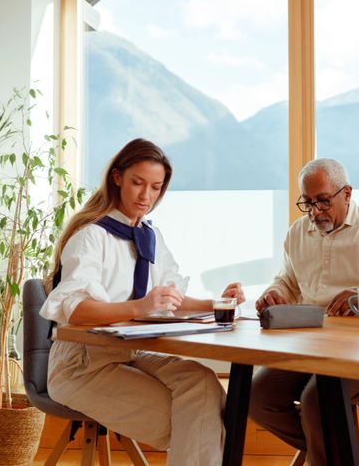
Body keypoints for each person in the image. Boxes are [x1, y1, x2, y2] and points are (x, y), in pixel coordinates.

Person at [39, 138, 244, 466]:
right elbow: (76, 311)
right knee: (192, 422)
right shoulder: (91, 236)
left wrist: (217, 303)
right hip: (80, 365)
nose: (146, 196)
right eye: (137, 183)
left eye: (155, 187)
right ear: (117, 178)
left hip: (128, 353)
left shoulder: (150, 236)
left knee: (202, 384)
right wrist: (140, 307)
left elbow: (168, 297)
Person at [249, 157, 359, 466]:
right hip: (311, 344)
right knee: (258, 397)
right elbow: (287, 280)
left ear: (347, 193)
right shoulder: (297, 233)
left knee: (318, 400)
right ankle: (342, 453)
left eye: (323, 202)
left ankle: (334, 452)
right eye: (308, 203)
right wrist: (274, 295)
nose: (314, 212)